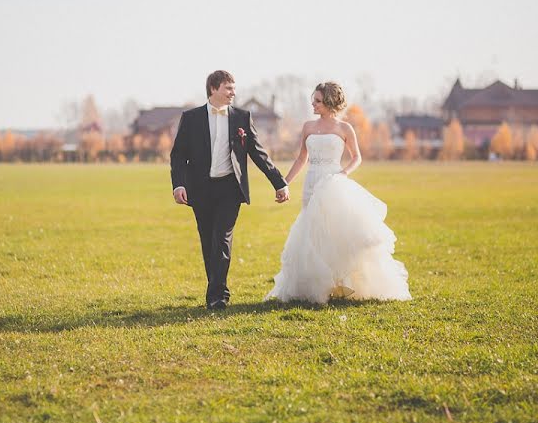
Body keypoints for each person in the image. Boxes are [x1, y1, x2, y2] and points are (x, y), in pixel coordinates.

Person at [265, 81, 412, 304]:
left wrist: (343, 173)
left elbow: (357, 157)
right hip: (312, 182)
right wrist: (284, 182)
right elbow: (301, 158)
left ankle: (342, 284)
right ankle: (317, 285)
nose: (312, 104)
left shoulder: (345, 129)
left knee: (336, 232)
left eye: (317, 101)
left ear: (330, 102)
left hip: (334, 182)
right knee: (311, 230)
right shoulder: (307, 127)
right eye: (312, 100)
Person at [171, 70, 290, 309]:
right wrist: (179, 185)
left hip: (230, 189)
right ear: (213, 88)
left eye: (234, 88)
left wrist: (279, 182)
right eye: (228, 88)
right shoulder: (191, 118)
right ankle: (216, 289)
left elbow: (258, 153)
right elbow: (178, 155)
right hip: (200, 189)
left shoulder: (242, 118)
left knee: (222, 240)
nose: (233, 93)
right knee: (208, 241)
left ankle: (218, 296)